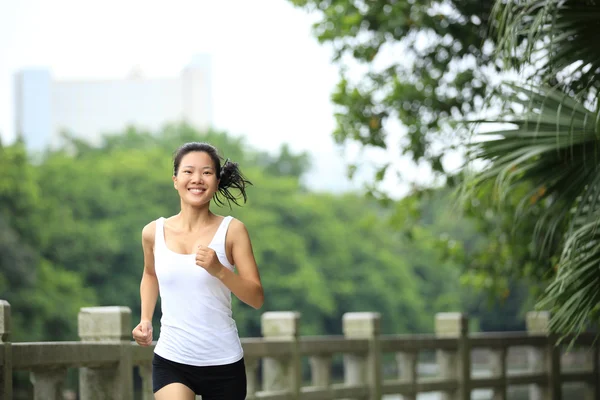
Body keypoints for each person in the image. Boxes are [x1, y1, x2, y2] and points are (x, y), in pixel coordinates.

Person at [132, 142, 264, 400]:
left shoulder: (232, 231)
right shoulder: (153, 233)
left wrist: (220, 270)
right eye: (188, 172)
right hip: (172, 358)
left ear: (216, 181)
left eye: (206, 172)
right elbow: (150, 275)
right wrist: (145, 319)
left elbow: (256, 298)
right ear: (175, 180)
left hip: (223, 361)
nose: (197, 179)